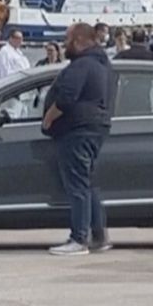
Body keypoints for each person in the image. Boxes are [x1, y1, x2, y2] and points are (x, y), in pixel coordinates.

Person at [42, 22, 117, 256]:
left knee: (77, 186)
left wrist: (48, 118)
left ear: (79, 41)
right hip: (95, 128)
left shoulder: (81, 65)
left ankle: (79, 238)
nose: (64, 45)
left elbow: (66, 98)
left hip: (77, 130)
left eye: (67, 40)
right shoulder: (103, 66)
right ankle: (98, 235)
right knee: (86, 183)